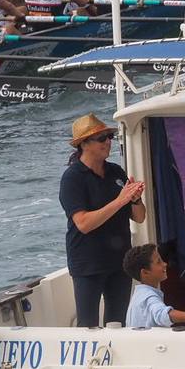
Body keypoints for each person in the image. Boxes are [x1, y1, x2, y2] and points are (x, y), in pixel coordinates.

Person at [59, 112, 146, 326]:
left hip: (119, 260)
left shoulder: (115, 171)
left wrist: (134, 199)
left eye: (109, 137)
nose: (108, 142)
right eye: (101, 138)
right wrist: (120, 200)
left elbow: (140, 217)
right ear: (84, 144)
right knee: (88, 326)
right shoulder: (72, 178)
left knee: (117, 323)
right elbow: (84, 224)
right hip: (88, 263)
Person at [123, 243, 185, 328]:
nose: (165, 264)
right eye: (158, 262)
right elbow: (163, 315)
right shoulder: (149, 297)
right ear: (145, 272)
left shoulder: (138, 296)